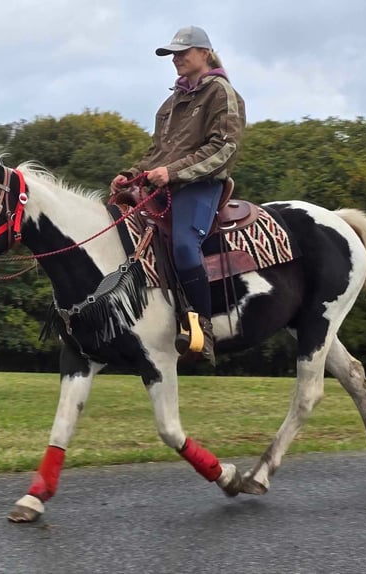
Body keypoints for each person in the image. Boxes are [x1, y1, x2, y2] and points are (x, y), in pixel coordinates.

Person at [111, 25, 246, 365]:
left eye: (183, 53)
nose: (177, 59)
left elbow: (225, 148)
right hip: (165, 185)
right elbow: (158, 151)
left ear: (205, 53)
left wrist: (173, 173)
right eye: (173, 54)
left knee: (185, 246)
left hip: (201, 185)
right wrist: (131, 174)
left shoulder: (221, 93)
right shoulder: (170, 103)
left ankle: (202, 328)